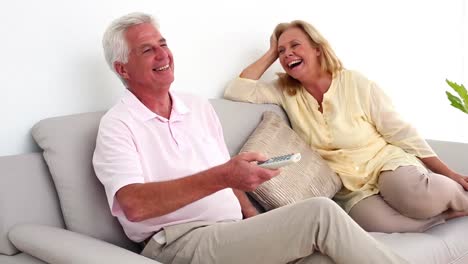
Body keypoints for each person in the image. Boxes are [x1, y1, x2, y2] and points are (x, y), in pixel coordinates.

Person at [93, 12, 409, 264]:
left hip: (233, 233)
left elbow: (226, 176)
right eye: (148, 49)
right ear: (122, 68)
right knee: (321, 212)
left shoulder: (197, 107)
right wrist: (223, 175)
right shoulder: (118, 125)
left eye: (163, 43)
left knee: (326, 257)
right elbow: (133, 205)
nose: (163, 54)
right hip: (178, 242)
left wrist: (254, 217)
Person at [224, 19, 468, 233]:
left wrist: (450, 173)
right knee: (381, 226)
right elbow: (237, 90)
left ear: (317, 49)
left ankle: (462, 199)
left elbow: (401, 132)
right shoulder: (284, 92)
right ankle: (446, 217)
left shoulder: (355, 82)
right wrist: (270, 53)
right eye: (282, 50)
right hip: (349, 186)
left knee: (413, 196)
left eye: (295, 45)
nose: (287, 54)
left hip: (384, 163)